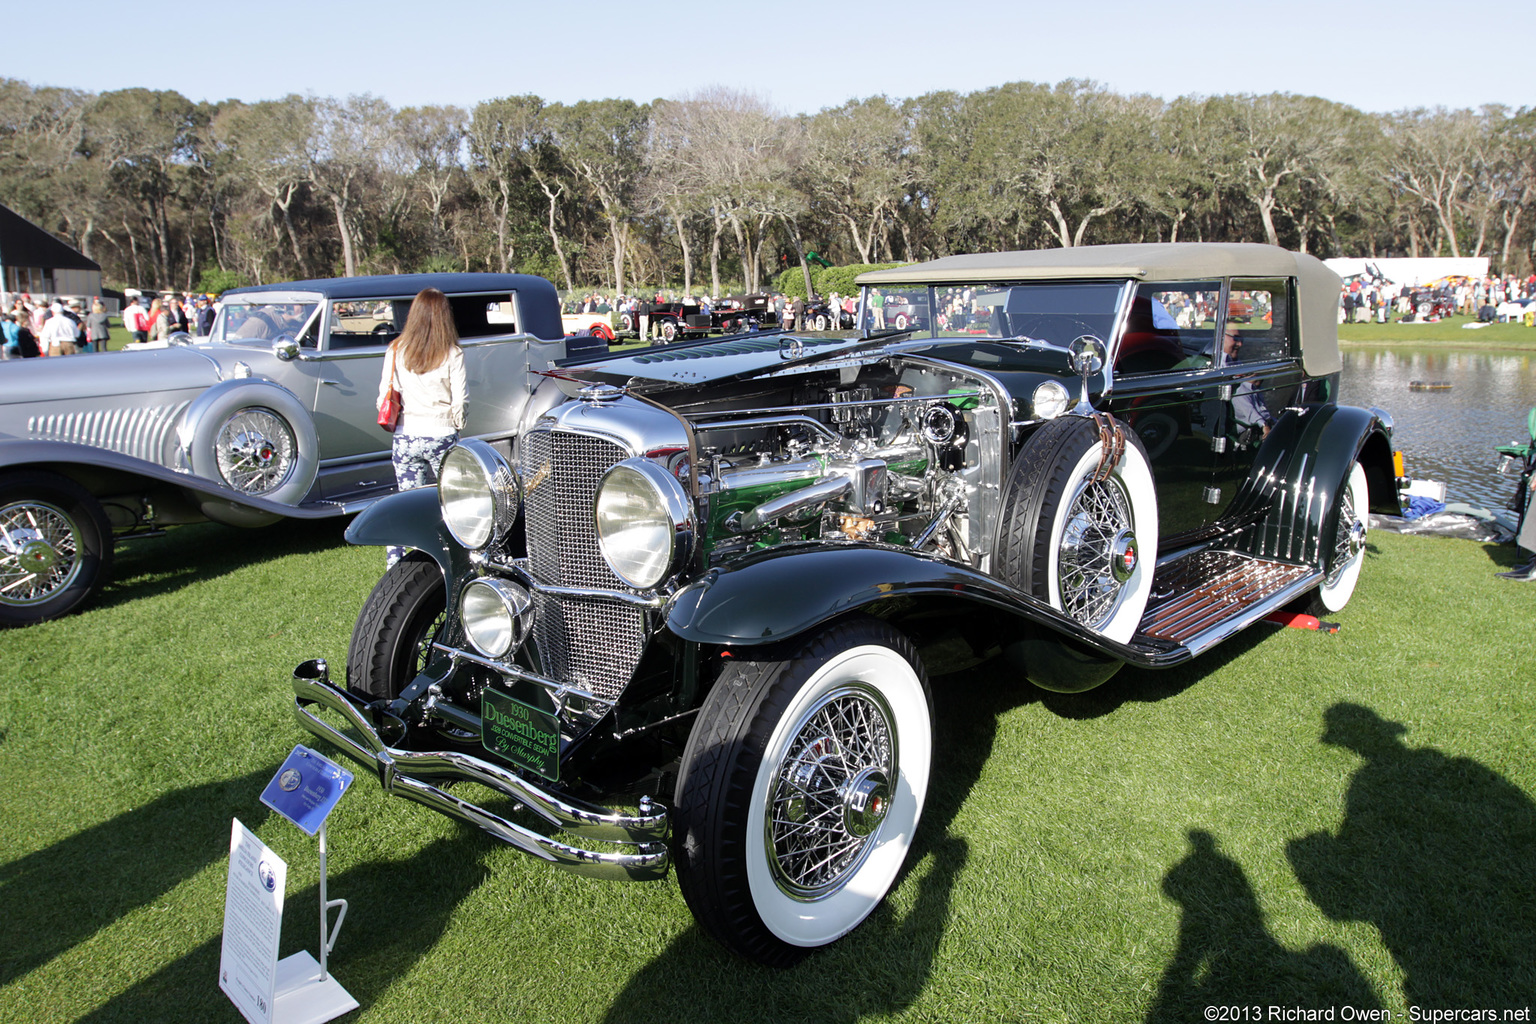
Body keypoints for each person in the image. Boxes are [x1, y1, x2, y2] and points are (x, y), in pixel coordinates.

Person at [377, 288, 466, 567]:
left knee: (405, 502)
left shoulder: (396, 350)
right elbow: (460, 402)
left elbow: (383, 396)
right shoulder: (452, 353)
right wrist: (457, 426)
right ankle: (452, 558)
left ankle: (396, 564)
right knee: (449, 501)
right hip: (441, 434)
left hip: (406, 435)